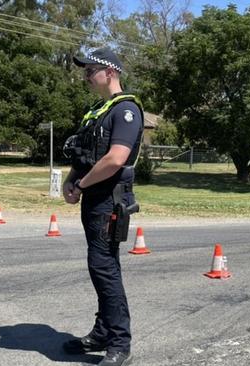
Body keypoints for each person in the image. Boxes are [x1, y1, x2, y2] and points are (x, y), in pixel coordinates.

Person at [61, 47, 143, 366]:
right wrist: (72, 180)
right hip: (94, 198)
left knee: (104, 268)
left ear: (109, 72)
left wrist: (81, 185)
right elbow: (84, 154)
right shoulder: (99, 110)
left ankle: (119, 342)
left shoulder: (125, 111)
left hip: (109, 199)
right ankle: (103, 332)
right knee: (103, 267)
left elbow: (115, 159)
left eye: (90, 70)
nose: (86, 76)